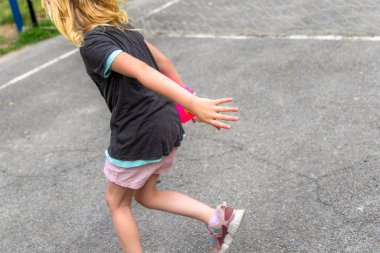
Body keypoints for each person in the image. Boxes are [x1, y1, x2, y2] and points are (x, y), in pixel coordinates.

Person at [42, 0, 245, 252]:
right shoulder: (123, 28)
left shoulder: (93, 44)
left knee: (116, 202)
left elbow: (141, 70)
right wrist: (186, 104)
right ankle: (218, 220)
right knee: (147, 195)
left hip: (140, 131)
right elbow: (164, 63)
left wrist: (192, 102)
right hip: (164, 122)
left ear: (59, 11)